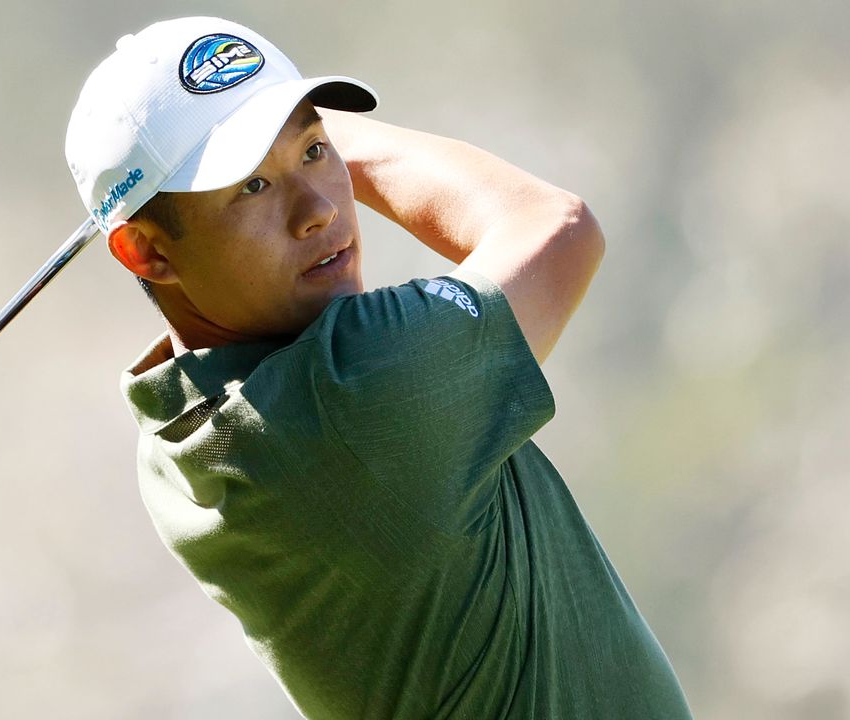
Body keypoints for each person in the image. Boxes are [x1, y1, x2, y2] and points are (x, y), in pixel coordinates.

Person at [65, 16, 692, 719]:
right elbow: (557, 229)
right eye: (250, 187)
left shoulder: (172, 425)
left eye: (313, 152)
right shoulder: (357, 390)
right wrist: (308, 124)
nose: (319, 209)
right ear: (146, 253)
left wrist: (257, 130)